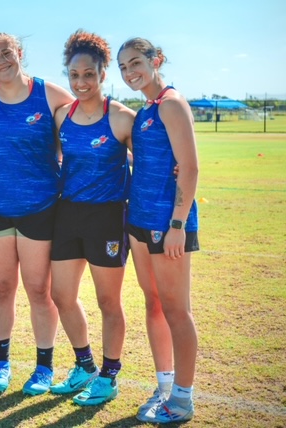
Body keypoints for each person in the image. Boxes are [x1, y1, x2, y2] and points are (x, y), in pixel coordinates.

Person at [0, 32, 73, 395]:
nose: (0, 61)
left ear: (20, 53)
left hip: (39, 207)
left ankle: (44, 367)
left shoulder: (49, 94)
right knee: (1, 287)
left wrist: (133, 155)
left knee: (37, 289)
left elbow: (89, 124)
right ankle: (1, 364)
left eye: (6, 53)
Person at [48, 30, 134, 406]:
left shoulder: (121, 118)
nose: (81, 82)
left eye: (88, 74)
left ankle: (109, 376)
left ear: (102, 74)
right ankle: (85, 367)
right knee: (61, 295)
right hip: (68, 213)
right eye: (74, 75)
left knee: (108, 301)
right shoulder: (61, 116)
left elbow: (150, 163)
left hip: (107, 217)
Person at [117, 37, 199, 423]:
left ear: (156, 60)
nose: (129, 72)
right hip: (139, 221)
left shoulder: (170, 103)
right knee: (153, 304)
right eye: (123, 67)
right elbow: (150, 159)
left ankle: (182, 399)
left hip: (167, 225)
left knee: (176, 310)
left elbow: (190, 167)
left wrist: (178, 225)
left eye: (135, 62)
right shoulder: (145, 110)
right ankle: (164, 386)